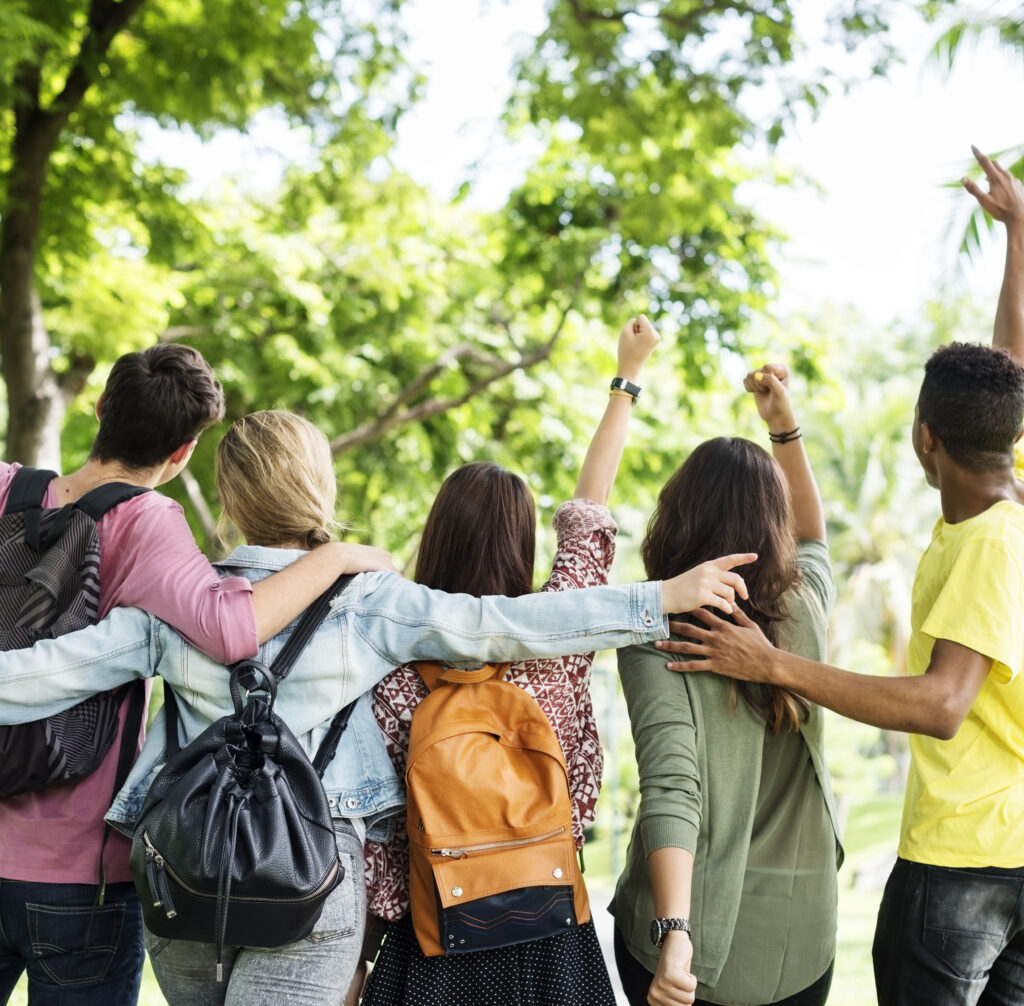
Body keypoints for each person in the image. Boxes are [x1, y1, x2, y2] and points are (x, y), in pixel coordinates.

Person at [0, 407, 754, 1006]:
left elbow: (34, 676)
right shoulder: (367, 602)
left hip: (183, 880)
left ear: (229, 497)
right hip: (313, 882)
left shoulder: (177, 603)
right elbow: (508, 625)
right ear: (319, 492)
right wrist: (659, 600)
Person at [662, 146, 1024, 1006]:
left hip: (967, 865)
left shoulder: (985, 547)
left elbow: (941, 706)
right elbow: (1010, 369)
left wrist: (773, 663)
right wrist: (1017, 235)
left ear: (924, 437)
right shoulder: (1010, 498)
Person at [0, 345, 392, 1006]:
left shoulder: (7, 485)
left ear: (99, 409)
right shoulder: (151, 523)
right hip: (81, 877)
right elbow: (230, 629)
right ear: (184, 453)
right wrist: (338, 558)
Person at [358, 315, 663, 1006]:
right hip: (549, 928)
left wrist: (360, 961)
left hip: (435, 935)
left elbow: (381, 838)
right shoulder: (556, 641)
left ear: (436, 539)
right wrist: (627, 376)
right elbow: (589, 513)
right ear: (522, 545)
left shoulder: (393, 663)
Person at [609, 364, 842, 1006]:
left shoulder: (659, 632)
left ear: (676, 515)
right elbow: (815, 537)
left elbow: (672, 786)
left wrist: (675, 931)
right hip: (802, 942)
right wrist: (783, 428)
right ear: (774, 523)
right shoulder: (804, 607)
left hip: (693, 949)